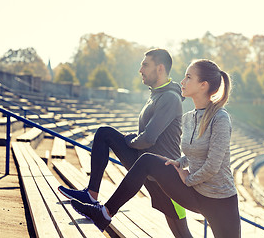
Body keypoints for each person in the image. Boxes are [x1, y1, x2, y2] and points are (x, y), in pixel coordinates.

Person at [71, 59, 241, 238]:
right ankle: (104, 214)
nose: (182, 82)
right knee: (148, 161)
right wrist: (179, 162)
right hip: (195, 193)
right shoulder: (189, 117)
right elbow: (192, 153)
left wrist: (188, 178)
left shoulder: (220, 118)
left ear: (203, 85)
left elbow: (213, 165)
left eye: (188, 77)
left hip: (220, 201)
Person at [58, 48, 193, 237]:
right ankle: (92, 194)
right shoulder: (157, 94)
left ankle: (103, 212)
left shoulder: (170, 98)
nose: (140, 70)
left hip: (165, 174)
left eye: (145, 65)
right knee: (104, 134)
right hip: (144, 165)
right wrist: (132, 140)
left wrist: (130, 141)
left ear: (160, 68)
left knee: (181, 232)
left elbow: (148, 138)